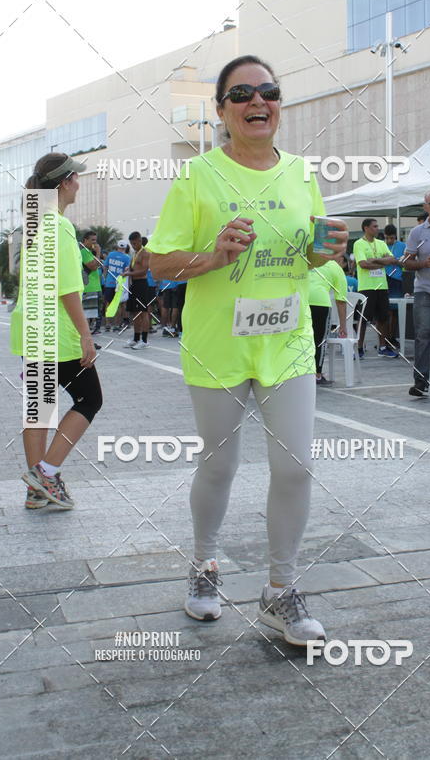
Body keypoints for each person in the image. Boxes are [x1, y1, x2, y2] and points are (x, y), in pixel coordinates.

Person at [146, 55, 348, 646]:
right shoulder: (197, 176)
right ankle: (204, 565)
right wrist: (213, 255)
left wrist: (325, 252)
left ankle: (280, 590)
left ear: (279, 103)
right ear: (222, 110)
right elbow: (157, 263)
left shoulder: (302, 173)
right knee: (219, 464)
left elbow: (309, 253)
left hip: (288, 341)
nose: (258, 101)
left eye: (269, 91)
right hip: (218, 344)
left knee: (295, 465)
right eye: (241, 94)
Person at [11, 152, 103, 509]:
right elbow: (68, 288)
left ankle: (37, 491)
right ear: (64, 183)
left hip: (31, 329)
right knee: (90, 399)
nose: (79, 183)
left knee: (39, 408)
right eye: (75, 177)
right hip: (56, 332)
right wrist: (85, 334)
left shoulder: (35, 224)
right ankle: (46, 474)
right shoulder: (60, 227)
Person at [403, 191, 430, 398]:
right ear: (426, 207)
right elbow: (406, 262)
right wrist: (423, 263)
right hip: (424, 291)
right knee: (423, 335)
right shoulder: (417, 232)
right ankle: (420, 383)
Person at [353, 219, 400, 358]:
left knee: (383, 318)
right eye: (374, 226)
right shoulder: (359, 244)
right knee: (363, 319)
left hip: (382, 286)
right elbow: (363, 264)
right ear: (366, 228)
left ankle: (383, 347)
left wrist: (374, 260)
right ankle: (359, 348)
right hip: (367, 287)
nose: (377, 228)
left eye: (377, 226)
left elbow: (392, 259)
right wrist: (382, 263)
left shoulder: (381, 243)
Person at [309, 259, 349, 386]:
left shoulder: (308, 261)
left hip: (299, 301)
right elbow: (341, 301)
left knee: (298, 339)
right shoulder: (335, 267)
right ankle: (317, 375)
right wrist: (343, 326)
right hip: (320, 303)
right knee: (319, 341)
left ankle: (298, 376)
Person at [123, 231, 150, 350]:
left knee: (143, 312)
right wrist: (128, 269)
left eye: (134, 243)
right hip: (133, 284)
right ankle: (136, 338)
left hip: (141, 284)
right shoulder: (134, 254)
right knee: (135, 312)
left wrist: (128, 273)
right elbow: (134, 268)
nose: (133, 246)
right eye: (131, 244)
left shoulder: (145, 253)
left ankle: (144, 340)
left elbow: (143, 271)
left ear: (140, 241)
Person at [102, 239, 131, 331]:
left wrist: (105, 278)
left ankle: (107, 324)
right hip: (119, 283)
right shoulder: (127, 258)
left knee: (108, 303)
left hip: (109, 283)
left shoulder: (111, 255)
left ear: (117, 246)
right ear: (125, 248)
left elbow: (105, 267)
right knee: (118, 304)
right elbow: (127, 271)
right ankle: (117, 324)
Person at [80, 231, 103, 335]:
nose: (95, 242)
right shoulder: (84, 252)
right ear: (85, 240)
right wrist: (98, 252)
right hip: (89, 287)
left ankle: (91, 334)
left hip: (95, 286)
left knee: (93, 314)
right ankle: (86, 336)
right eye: (92, 240)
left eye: (95, 240)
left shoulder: (89, 252)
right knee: (87, 314)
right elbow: (93, 266)